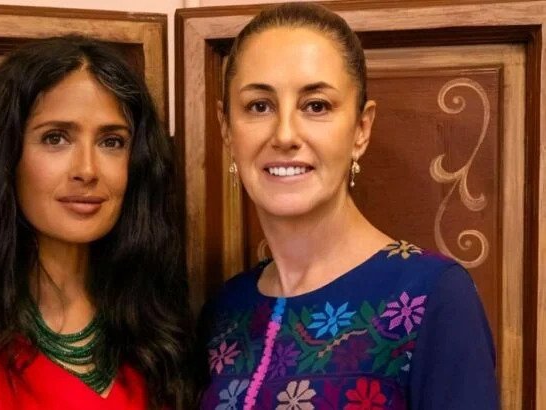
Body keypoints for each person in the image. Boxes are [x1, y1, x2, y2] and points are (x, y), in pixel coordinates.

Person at [197, 3, 498, 409]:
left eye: (316, 106)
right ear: (226, 129)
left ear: (361, 128)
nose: (284, 135)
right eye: (259, 106)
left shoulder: (433, 296)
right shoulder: (223, 311)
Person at [0, 36, 193, 410]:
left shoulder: (159, 330)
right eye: (55, 138)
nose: (87, 170)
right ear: (6, 157)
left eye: (111, 142)